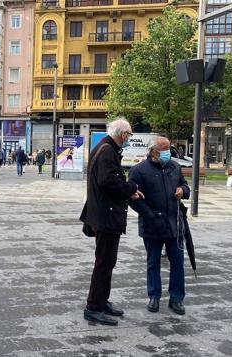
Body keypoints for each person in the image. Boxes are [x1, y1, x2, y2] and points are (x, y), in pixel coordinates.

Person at [79, 118, 143, 326]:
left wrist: (126, 192)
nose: (129, 139)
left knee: (107, 262)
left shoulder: (105, 148)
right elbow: (108, 182)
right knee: (104, 263)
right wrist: (131, 189)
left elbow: (109, 181)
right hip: (106, 216)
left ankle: (101, 301)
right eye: (129, 135)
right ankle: (93, 307)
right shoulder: (107, 150)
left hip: (105, 213)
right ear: (123, 134)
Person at [128, 136, 190, 316]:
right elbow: (133, 199)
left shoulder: (174, 167)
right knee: (153, 262)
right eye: (165, 149)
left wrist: (183, 191)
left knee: (177, 262)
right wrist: (150, 216)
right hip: (152, 225)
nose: (168, 152)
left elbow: (185, 186)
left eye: (168, 148)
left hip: (174, 224)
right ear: (154, 151)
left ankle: (176, 298)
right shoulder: (139, 170)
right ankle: (154, 296)